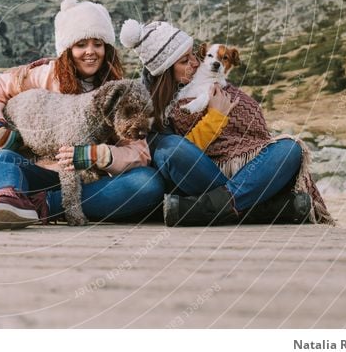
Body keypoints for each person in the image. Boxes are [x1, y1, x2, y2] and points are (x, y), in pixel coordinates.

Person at [0, 0, 165, 231]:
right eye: (81, 44)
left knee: (147, 183)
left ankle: (33, 206)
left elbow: (140, 154)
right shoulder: (44, 75)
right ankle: (12, 198)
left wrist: (98, 154)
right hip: (34, 171)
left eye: (98, 43)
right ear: (68, 48)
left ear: (107, 48)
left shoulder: (119, 90)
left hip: (84, 183)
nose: (90, 52)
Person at [119, 19, 333, 226]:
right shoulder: (146, 109)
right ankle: (263, 207)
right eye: (185, 61)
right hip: (196, 176)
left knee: (289, 149)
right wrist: (215, 117)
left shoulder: (209, 83)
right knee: (170, 149)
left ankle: (203, 209)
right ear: (165, 72)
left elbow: (252, 137)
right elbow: (177, 157)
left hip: (242, 171)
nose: (196, 63)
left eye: (193, 55)